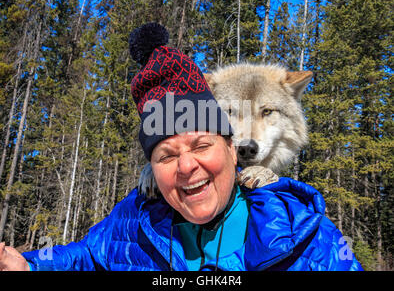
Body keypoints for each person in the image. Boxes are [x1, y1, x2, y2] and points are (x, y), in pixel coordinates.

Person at [0, 23, 363, 271]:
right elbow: (88, 256)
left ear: (230, 148)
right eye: (166, 155)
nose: (187, 166)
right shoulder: (135, 217)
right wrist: (30, 263)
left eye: (201, 145)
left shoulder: (305, 236)